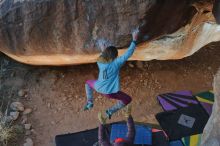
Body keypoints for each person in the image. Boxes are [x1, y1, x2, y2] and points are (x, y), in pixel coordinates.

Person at [84, 30, 139, 119]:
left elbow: (104, 56)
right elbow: (128, 54)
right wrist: (134, 40)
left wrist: (103, 48)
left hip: (98, 86)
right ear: (115, 56)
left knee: (87, 83)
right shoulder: (116, 63)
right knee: (127, 99)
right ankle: (110, 111)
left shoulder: (100, 62)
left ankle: (90, 101)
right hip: (109, 92)